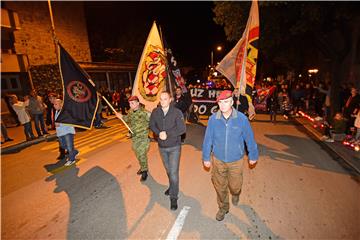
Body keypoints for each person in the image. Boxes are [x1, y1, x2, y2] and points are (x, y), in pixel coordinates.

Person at [202, 90, 258, 221]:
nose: (223, 105)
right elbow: (207, 139)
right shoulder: (213, 119)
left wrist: (253, 155)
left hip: (236, 160)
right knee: (220, 186)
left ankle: (236, 193)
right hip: (218, 159)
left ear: (232, 102)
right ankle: (223, 208)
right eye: (220, 102)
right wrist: (206, 157)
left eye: (226, 102)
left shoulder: (241, 119)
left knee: (235, 186)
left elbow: (249, 138)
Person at [149, 91, 186, 211]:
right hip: (162, 147)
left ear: (170, 99)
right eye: (161, 99)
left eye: (165, 99)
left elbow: (182, 129)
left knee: (174, 173)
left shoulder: (176, 112)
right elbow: (152, 125)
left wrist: (167, 134)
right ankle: (172, 186)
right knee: (168, 170)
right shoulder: (156, 112)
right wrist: (158, 133)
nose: (162, 101)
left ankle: (174, 197)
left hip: (174, 147)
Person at [115, 96, 150, 182]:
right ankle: (142, 167)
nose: (130, 105)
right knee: (138, 154)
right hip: (135, 138)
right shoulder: (130, 112)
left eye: (132, 103)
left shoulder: (145, 113)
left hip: (143, 138)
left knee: (142, 154)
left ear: (138, 103)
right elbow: (127, 119)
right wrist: (121, 117)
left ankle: (144, 171)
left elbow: (153, 121)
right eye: (130, 103)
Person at [54, 99, 79, 166]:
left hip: (68, 131)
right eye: (54, 104)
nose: (54, 106)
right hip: (60, 133)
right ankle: (75, 152)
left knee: (69, 146)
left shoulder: (65, 112)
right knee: (63, 146)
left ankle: (71, 159)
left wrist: (60, 124)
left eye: (56, 104)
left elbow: (70, 121)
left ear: (61, 104)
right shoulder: (57, 111)